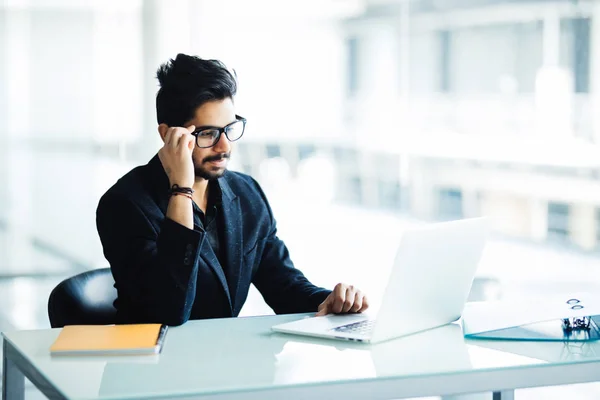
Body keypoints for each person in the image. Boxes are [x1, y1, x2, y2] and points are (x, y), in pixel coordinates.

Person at [96, 53, 369, 326]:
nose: (225, 146)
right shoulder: (123, 205)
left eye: (229, 128)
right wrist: (181, 191)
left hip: (224, 361)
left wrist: (327, 301)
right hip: (150, 363)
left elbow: (283, 285)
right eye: (207, 133)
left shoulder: (246, 192)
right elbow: (170, 312)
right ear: (168, 135)